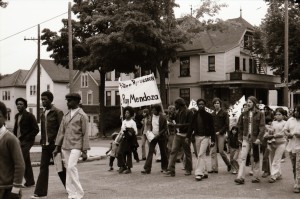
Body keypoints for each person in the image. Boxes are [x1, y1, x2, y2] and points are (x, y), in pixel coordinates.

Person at [53, 93, 90, 199]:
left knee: (71, 167)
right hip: (66, 146)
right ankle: (71, 193)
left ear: (77, 102)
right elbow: (61, 132)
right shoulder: (66, 116)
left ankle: (79, 192)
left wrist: (85, 151)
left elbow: (85, 133)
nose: (67, 103)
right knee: (68, 169)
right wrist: (57, 147)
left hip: (77, 145)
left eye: (70, 100)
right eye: (67, 100)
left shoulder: (82, 116)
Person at [31, 91, 66, 199]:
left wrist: (58, 145)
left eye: (45, 99)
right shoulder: (43, 113)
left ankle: (71, 187)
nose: (42, 101)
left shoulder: (57, 112)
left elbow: (62, 130)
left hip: (55, 145)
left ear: (51, 100)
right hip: (45, 146)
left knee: (60, 168)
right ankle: (40, 193)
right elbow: (43, 130)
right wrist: (42, 141)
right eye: (41, 99)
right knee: (43, 168)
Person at [234, 96, 265, 185]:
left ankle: (256, 177)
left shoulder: (260, 114)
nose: (248, 104)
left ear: (254, 103)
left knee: (255, 157)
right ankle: (240, 177)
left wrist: (259, 138)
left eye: (250, 102)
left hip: (255, 139)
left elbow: (262, 127)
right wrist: (240, 137)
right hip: (245, 138)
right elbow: (239, 126)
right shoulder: (244, 113)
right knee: (242, 157)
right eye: (248, 102)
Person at [0, 101, 25, 199]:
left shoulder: (10, 139)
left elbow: (20, 165)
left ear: (5, 117)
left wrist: (16, 189)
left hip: (7, 189)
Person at [13, 97, 39, 188]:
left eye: (21, 104)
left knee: (20, 161)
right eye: (18, 104)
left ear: (25, 106)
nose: (19, 105)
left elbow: (36, 129)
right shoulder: (17, 116)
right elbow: (16, 129)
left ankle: (17, 182)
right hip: (18, 141)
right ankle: (30, 181)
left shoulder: (30, 116)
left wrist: (27, 138)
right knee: (26, 161)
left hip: (27, 142)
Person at [164, 98, 193, 177]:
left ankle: (188, 169)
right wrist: (170, 116)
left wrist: (179, 125)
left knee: (187, 153)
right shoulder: (178, 112)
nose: (174, 106)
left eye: (176, 104)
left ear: (180, 104)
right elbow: (172, 119)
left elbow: (190, 124)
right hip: (178, 135)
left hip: (186, 135)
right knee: (173, 151)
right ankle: (171, 170)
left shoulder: (189, 112)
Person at [187, 99, 215, 181]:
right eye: (199, 104)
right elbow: (191, 127)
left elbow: (212, 128)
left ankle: (199, 173)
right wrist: (187, 137)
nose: (201, 105)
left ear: (205, 105)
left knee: (200, 154)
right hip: (197, 137)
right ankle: (205, 171)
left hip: (205, 137)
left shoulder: (209, 116)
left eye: (202, 104)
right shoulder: (194, 115)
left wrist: (213, 139)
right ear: (197, 105)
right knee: (201, 155)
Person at [141, 104, 168, 174]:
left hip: (161, 136)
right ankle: (147, 168)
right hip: (153, 136)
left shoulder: (162, 117)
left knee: (163, 152)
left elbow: (165, 128)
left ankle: (164, 168)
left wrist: (159, 134)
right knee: (150, 151)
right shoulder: (151, 117)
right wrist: (149, 132)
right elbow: (150, 126)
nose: (153, 111)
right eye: (152, 110)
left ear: (158, 110)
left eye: (154, 110)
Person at [264, 108, 286, 183]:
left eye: (279, 114)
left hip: (281, 143)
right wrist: (268, 131)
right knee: (273, 159)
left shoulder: (285, 123)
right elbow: (271, 131)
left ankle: (273, 175)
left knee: (276, 159)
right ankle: (278, 174)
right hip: (272, 143)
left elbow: (283, 133)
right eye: (276, 114)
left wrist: (274, 135)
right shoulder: (273, 122)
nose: (277, 116)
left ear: (283, 115)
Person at [209, 98, 231, 173]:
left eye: (217, 103)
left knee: (221, 151)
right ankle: (214, 168)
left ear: (220, 104)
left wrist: (220, 131)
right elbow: (210, 125)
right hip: (213, 135)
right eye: (215, 103)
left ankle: (228, 164)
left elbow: (226, 124)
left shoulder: (224, 113)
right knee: (213, 151)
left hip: (221, 134)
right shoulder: (212, 114)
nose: (216, 104)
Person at [283, 105, 300, 193]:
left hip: (299, 147)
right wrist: (288, 134)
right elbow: (285, 130)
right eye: (295, 110)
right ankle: (296, 181)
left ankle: (297, 185)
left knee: (298, 167)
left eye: (297, 111)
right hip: (291, 146)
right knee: (294, 166)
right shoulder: (290, 120)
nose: (295, 112)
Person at [117, 106, 138, 174]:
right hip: (123, 138)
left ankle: (129, 168)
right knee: (119, 152)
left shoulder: (133, 122)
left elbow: (136, 131)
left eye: (128, 113)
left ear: (130, 114)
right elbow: (121, 130)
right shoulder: (123, 121)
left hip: (129, 140)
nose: (126, 114)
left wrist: (129, 130)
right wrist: (118, 138)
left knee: (128, 153)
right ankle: (122, 166)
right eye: (125, 113)